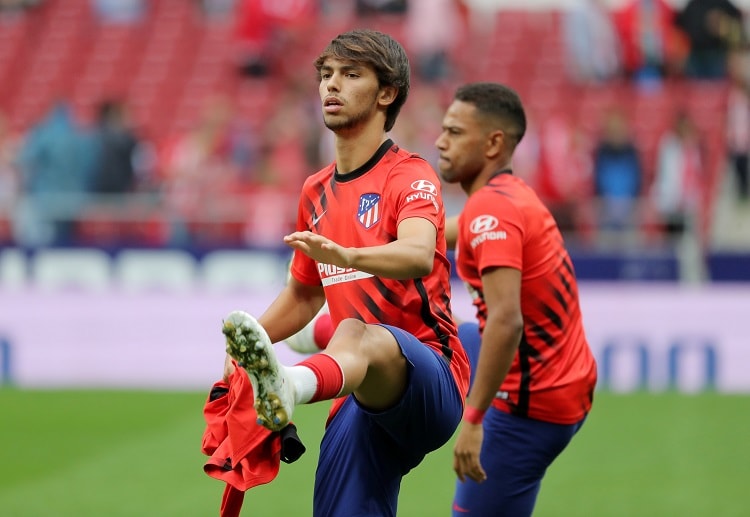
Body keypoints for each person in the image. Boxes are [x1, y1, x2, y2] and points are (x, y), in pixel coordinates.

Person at [221, 29, 470, 517]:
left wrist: (348, 255)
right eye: (326, 74)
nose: (331, 85)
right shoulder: (314, 191)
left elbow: (419, 253)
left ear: (386, 93)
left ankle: (291, 385)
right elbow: (303, 295)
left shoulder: (410, 174)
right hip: (356, 392)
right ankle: (290, 379)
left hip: (430, 378)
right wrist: (247, 347)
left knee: (355, 331)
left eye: (351, 74)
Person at [435, 82, 598, 517]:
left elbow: (507, 322)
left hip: (531, 404)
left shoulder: (492, 211)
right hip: (566, 377)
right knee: (433, 326)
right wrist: (361, 244)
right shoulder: (507, 194)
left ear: (493, 144)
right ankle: (324, 332)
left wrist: (473, 420)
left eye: (454, 132)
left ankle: (323, 340)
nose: (440, 141)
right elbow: (442, 232)